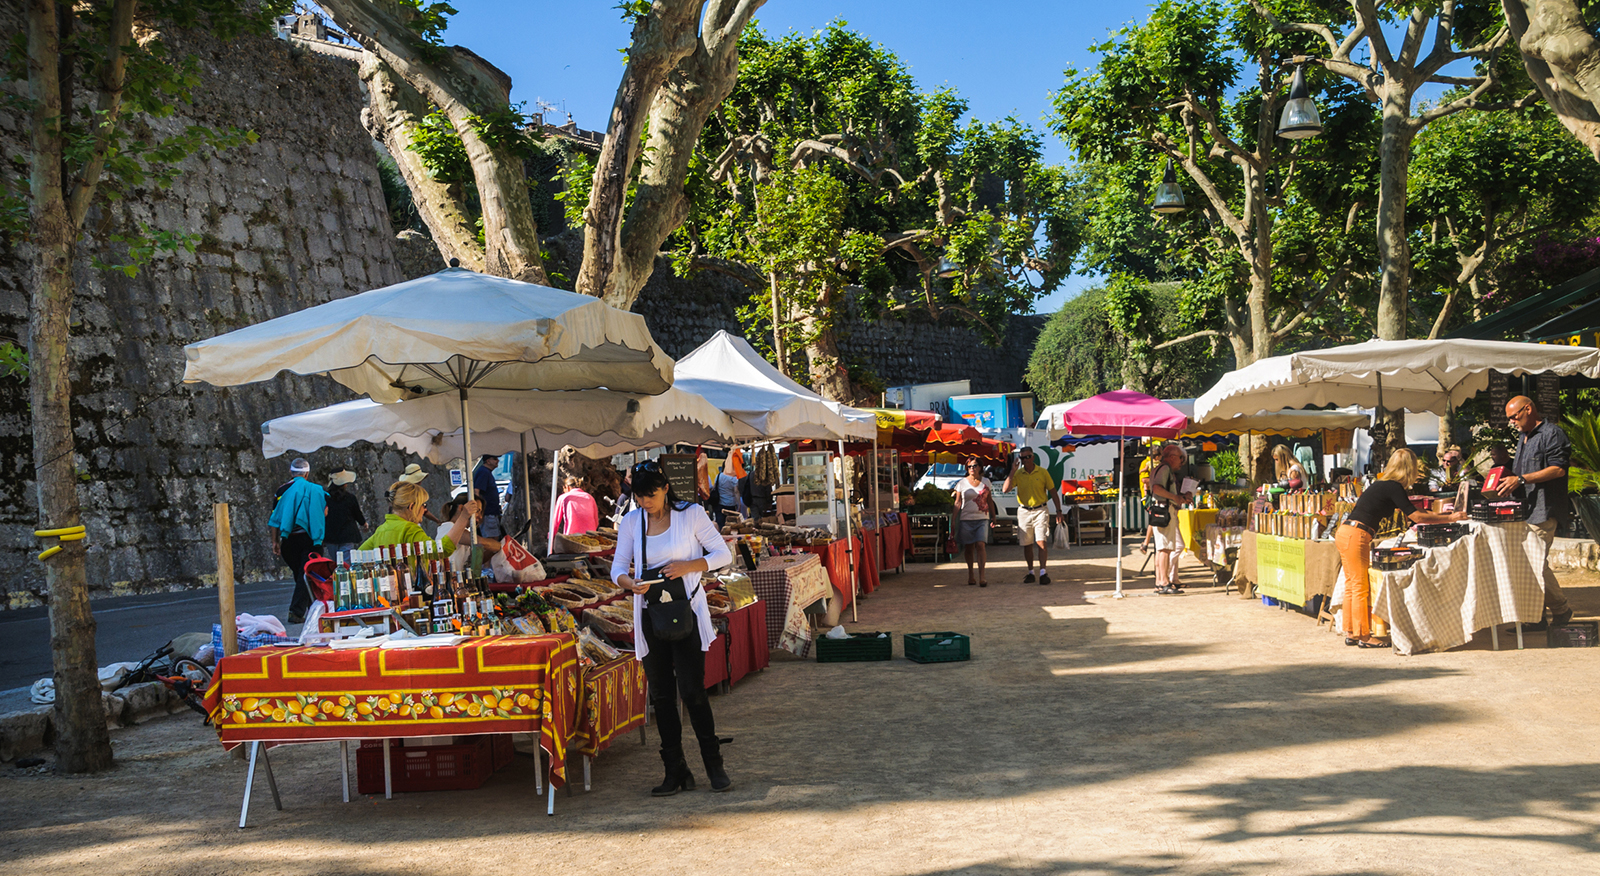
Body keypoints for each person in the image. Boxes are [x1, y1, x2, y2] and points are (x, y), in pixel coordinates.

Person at [611, 461, 735, 795]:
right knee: (662, 696)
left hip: (687, 612)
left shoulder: (691, 514)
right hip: (651, 615)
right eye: (639, 496)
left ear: (665, 488)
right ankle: (675, 769)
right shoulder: (632, 521)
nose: (645, 502)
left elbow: (724, 554)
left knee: (693, 692)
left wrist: (689, 566)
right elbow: (618, 566)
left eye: (650, 494)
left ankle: (714, 764)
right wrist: (628, 582)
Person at [1336, 448, 1466, 647]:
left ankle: (1353, 632)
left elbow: (1412, 510)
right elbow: (1416, 517)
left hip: (1347, 532)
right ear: (1409, 468)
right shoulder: (1393, 487)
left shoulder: (1383, 484)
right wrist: (1449, 517)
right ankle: (1362, 635)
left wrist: (1431, 513)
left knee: (1352, 584)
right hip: (1357, 534)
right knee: (1359, 585)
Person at [1490, 395, 1575, 631]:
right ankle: (1537, 616)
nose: (1512, 422)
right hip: (1525, 510)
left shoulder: (1552, 434)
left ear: (1528, 409)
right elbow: (1519, 474)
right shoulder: (1523, 437)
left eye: (1514, 416)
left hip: (1544, 509)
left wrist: (1520, 479)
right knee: (1527, 562)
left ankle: (1560, 609)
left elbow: (1558, 469)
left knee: (1534, 562)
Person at [362, 483, 480, 592]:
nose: (425, 510)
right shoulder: (410, 529)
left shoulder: (381, 530)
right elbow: (442, 550)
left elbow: (359, 555)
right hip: (410, 592)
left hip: (387, 592)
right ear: (412, 506)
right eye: (423, 505)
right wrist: (464, 517)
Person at [268, 458, 327, 623]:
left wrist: (275, 541)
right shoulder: (316, 490)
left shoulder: (281, 491)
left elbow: (275, 517)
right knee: (305, 575)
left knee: (302, 574)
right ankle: (297, 612)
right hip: (310, 540)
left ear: (291, 472)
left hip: (289, 541)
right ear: (307, 473)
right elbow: (324, 513)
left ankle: (313, 610)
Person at [1003, 448, 1065, 585]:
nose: (1025, 460)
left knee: (1041, 541)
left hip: (1040, 510)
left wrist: (1059, 511)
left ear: (1033, 457)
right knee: (1027, 543)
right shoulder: (1018, 474)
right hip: (1024, 511)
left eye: (1027, 457)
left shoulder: (1042, 472)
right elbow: (1005, 489)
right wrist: (1012, 471)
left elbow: (1053, 491)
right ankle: (1031, 571)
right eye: (1022, 458)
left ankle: (1043, 572)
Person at [1148, 442, 1193, 596]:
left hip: (1161, 509)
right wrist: (1175, 497)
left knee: (1162, 549)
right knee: (1165, 549)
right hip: (1165, 510)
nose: (1182, 462)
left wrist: (1180, 497)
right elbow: (1157, 488)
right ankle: (1164, 582)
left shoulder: (1158, 468)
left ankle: (1160, 582)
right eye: (1180, 458)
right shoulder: (1165, 468)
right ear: (1172, 457)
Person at [952, 458, 996, 587]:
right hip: (966, 519)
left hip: (982, 518)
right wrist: (954, 519)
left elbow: (990, 500)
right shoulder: (961, 483)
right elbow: (957, 502)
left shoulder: (986, 482)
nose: (972, 468)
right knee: (969, 547)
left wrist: (994, 516)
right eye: (969, 466)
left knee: (981, 545)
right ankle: (971, 574)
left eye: (975, 466)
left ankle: (982, 576)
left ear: (980, 467)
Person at [435, 488, 501, 574]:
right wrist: (501, 545)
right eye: (477, 511)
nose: (480, 517)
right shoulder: (449, 527)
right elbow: (481, 542)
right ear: (462, 509)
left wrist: (494, 550)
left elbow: (474, 560)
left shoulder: (465, 534)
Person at [323, 469, 366, 561]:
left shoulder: (325, 498)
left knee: (336, 562)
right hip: (347, 535)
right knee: (346, 563)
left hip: (330, 535)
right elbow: (357, 514)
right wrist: (364, 524)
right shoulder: (350, 498)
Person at [473, 454, 503, 538]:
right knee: (491, 540)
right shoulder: (483, 472)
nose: (497, 461)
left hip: (491, 513)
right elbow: (476, 491)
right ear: (488, 461)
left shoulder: (487, 472)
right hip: (487, 514)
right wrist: (479, 511)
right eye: (495, 458)